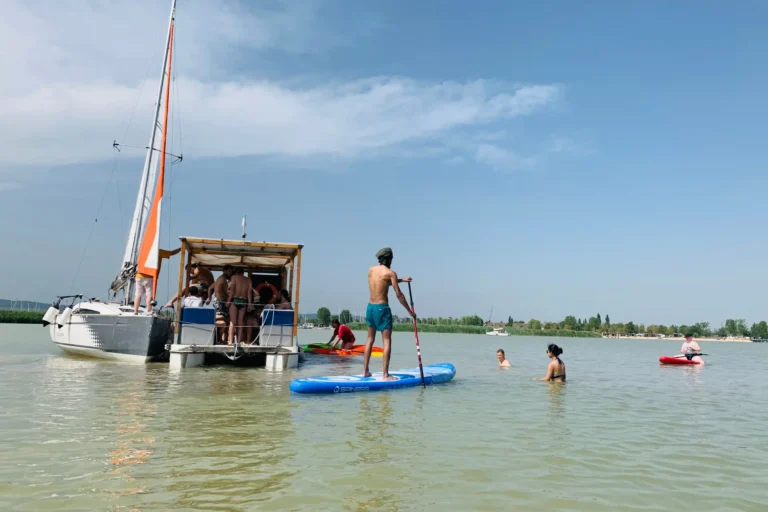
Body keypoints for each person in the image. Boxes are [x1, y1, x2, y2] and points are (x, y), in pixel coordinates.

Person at [362, 247, 416, 380]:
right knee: (386, 340)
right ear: (389, 259)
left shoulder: (371, 270)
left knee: (370, 339)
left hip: (370, 308)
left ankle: (365, 371)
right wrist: (410, 312)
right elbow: (399, 294)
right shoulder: (391, 273)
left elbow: (382, 282)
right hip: (382, 309)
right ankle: (385, 375)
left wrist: (402, 280)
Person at [227, 267, 252, 345]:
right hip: (244, 301)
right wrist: (250, 303)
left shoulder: (234, 277)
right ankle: (238, 342)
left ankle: (230, 342)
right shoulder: (248, 280)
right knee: (240, 323)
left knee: (233, 322)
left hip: (235, 300)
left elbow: (232, 290)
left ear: (235, 272)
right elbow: (249, 292)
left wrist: (228, 300)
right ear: (243, 272)